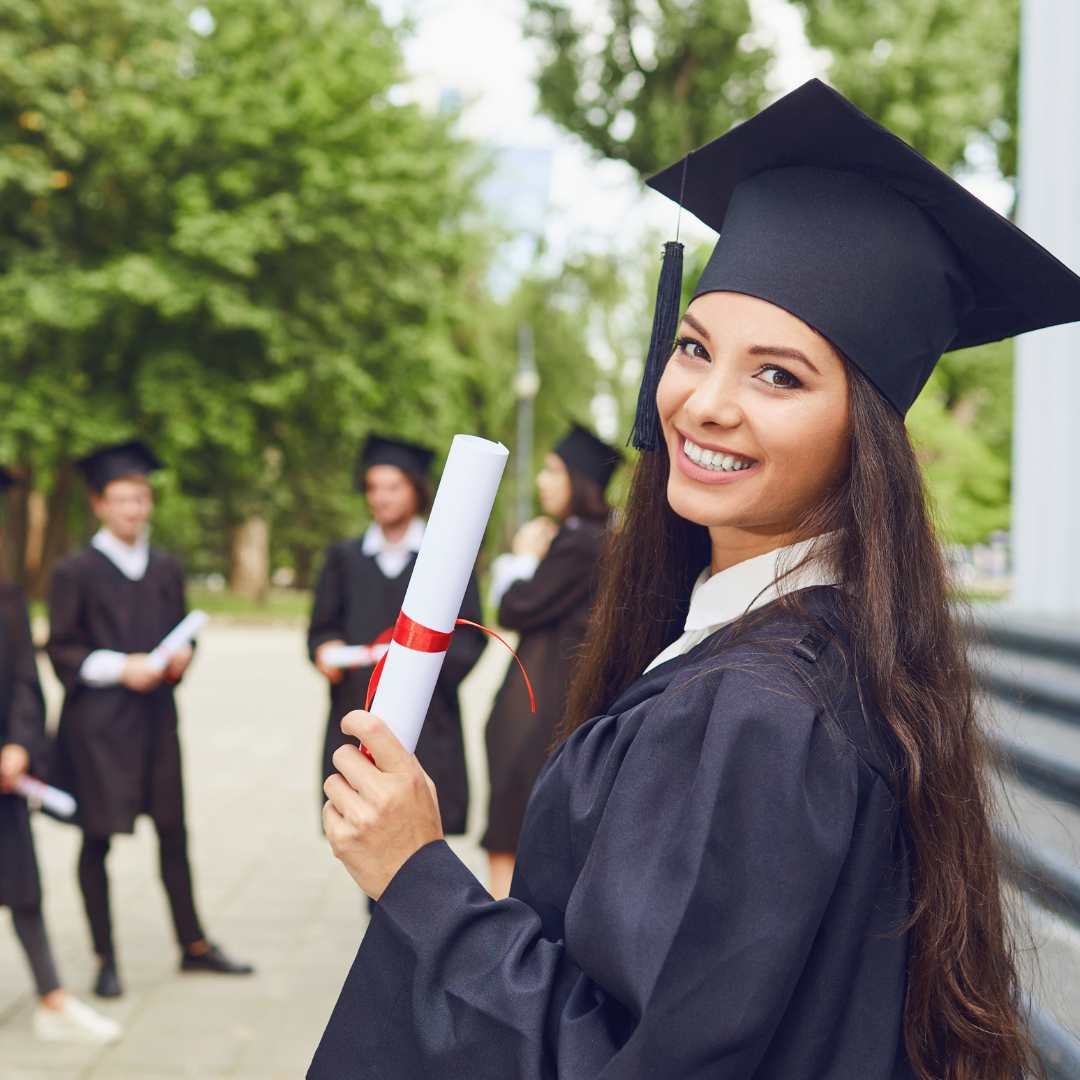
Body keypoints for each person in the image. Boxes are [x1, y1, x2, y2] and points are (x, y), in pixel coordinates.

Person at [310, 80, 1080, 1079]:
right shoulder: (824, 655)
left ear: (867, 439)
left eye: (779, 375)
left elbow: (634, 1061)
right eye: (693, 349)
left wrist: (415, 874)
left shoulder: (764, 715)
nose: (705, 404)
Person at [47, 441, 253, 999]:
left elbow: (185, 631)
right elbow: (62, 649)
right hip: (99, 725)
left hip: (157, 719)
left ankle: (194, 945)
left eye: (141, 499)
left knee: (173, 831)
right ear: (99, 504)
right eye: (121, 499)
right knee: (97, 839)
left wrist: (181, 660)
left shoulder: (164, 568)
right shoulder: (75, 571)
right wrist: (121, 667)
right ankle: (104, 955)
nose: (134, 510)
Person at [307, 434, 485, 838]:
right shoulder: (344, 559)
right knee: (361, 826)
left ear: (415, 491)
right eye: (373, 487)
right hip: (357, 710)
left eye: (392, 487)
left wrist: (418, 671)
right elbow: (321, 629)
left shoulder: (446, 560)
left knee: (419, 836)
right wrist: (324, 651)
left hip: (428, 720)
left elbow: (471, 636)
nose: (380, 498)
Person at [0, 467, 121, 1043]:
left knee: (23, 888)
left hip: (4, 774)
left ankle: (52, 997)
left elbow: (26, 680)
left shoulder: (6, 596)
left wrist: (22, 743)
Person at [482, 424, 620, 898]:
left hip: (539, 702)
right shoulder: (599, 535)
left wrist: (523, 557)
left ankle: (495, 937)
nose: (542, 480)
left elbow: (514, 607)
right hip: (551, 697)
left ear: (579, 480)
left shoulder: (582, 540)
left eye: (553, 470)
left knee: (509, 820)